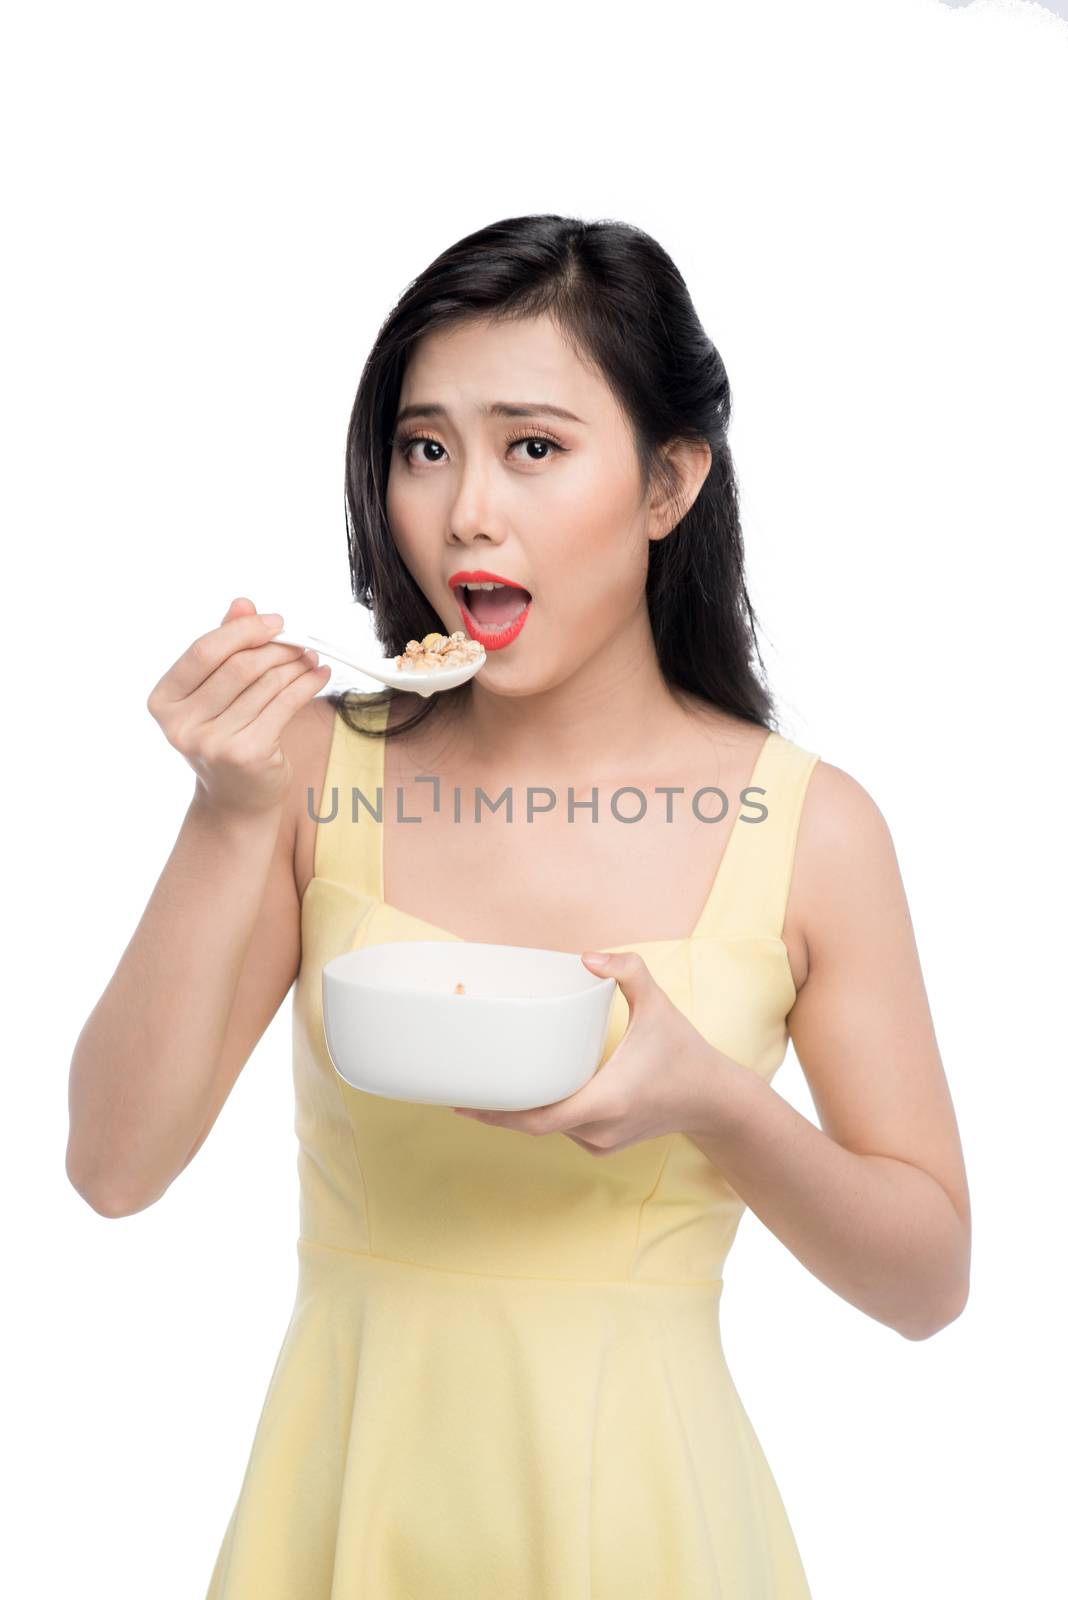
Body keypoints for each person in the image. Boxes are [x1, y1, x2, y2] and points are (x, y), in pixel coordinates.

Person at [66, 213, 971, 1598]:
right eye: (426, 447)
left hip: (653, 1523)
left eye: (533, 447)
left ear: (669, 482)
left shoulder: (813, 829)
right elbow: (114, 1169)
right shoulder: (313, 771)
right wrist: (225, 813)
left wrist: (715, 1100)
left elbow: (928, 1284)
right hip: (348, 1500)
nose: (467, 509)